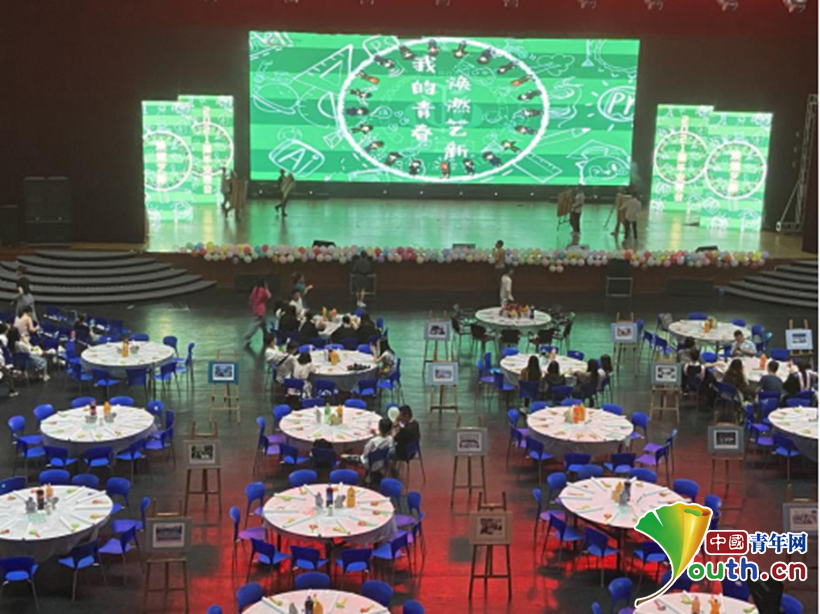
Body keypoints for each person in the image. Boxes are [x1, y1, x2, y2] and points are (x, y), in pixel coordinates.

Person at [243, 279, 271, 347]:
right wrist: (266, 288)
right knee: (256, 325)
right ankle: (247, 336)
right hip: (261, 310)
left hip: (255, 309)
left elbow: (251, 298)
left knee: (263, 325)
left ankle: (266, 337)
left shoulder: (255, 289)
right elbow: (269, 296)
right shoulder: (262, 290)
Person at [0, 323, 18, 397]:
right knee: (8, 374)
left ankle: (11, 390)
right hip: (3, 361)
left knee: (8, 374)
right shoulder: (3, 338)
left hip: (3, 360)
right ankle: (11, 390)